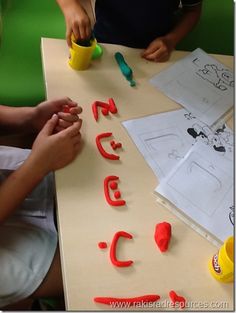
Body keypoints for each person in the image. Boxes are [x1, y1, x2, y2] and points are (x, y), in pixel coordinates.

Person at [0, 97, 83, 309]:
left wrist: (29, 117)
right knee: (90, 271)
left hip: (14, 172)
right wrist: (38, 165)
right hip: (10, 251)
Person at [57, 0, 202, 62]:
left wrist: (171, 40)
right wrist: (70, 7)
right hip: (107, 47)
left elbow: (193, 11)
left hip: (156, 53)